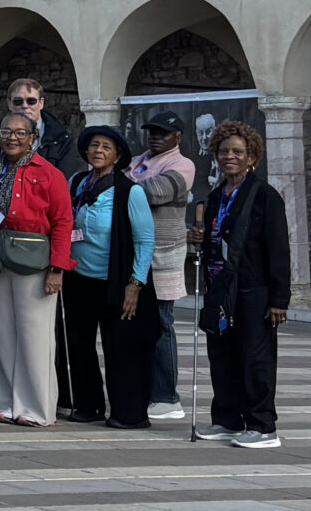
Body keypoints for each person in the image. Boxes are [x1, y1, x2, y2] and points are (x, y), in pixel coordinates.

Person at [0, 110, 75, 426]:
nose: (12, 138)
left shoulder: (48, 173)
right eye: (6, 132)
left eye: (20, 132)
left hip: (34, 261)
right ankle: (7, 401)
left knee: (35, 335)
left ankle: (37, 408)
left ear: (32, 138)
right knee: (4, 333)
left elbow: (62, 221)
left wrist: (58, 267)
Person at [194, 120, 289, 448]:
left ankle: (263, 426)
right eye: (223, 151)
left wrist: (280, 298)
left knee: (254, 357)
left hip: (254, 290)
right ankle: (227, 419)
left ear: (252, 158)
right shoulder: (218, 194)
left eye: (237, 151)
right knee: (222, 356)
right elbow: (219, 238)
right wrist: (203, 239)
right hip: (222, 287)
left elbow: (278, 249)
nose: (229, 157)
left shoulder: (265, 196)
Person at [61, 125, 158, 428]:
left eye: (106, 147)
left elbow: (145, 240)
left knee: (120, 348)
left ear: (117, 156)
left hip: (116, 282)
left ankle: (128, 413)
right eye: (93, 146)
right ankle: (88, 405)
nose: (98, 151)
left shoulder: (131, 191)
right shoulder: (76, 182)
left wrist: (135, 283)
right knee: (79, 344)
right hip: (78, 279)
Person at [128, 111, 195, 422]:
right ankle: (146, 389)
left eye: (163, 133)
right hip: (137, 253)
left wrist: (128, 181)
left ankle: (167, 396)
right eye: (152, 131)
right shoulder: (140, 160)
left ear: (177, 138)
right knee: (139, 325)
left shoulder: (182, 165)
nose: (155, 137)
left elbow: (152, 192)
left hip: (163, 255)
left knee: (162, 325)